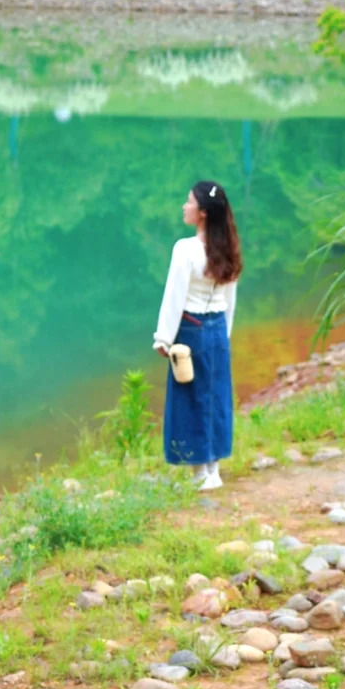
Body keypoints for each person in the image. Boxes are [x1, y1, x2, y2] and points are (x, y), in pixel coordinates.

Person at [152, 181, 242, 490]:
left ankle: (199, 474)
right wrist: (224, 335)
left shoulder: (186, 249)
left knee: (191, 397)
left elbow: (174, 296)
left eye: (189, 202)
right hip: (217, 329)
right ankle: (213, 468)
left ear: (202, 213)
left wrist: (163, 338)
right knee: (216, 395)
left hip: (190, 330)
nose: (184, 206)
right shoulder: (227, 247)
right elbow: (229, 300)